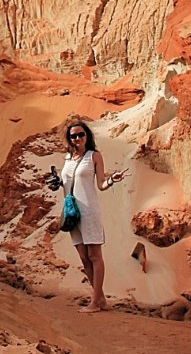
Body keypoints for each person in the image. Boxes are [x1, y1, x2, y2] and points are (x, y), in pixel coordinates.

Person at [56, 119, 128, 313]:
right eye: (73, 136)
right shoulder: (68, 158)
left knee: (95, 256)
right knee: (83, 257)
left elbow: (101, 184)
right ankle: (101, 299)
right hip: (72, 213)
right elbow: (66, 183)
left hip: (89, 211)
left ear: (87, 135)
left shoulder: (94, 156)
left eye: (81, 134)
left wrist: (112, 179)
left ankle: (95, 302)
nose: (78, 138)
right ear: (69, 139)